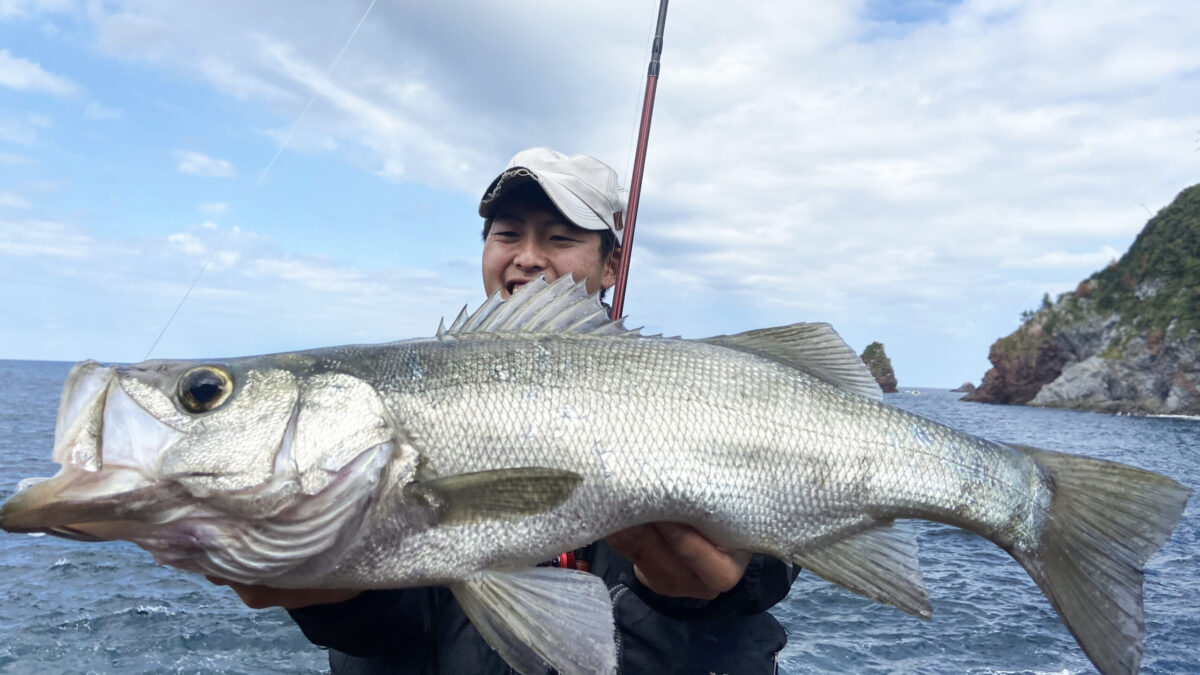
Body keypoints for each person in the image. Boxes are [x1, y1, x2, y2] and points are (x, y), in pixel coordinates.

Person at [213, 147, 798, 673]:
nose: (527, 258)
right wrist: (341, 591)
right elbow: (394, 625)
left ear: (611, 266)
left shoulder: (689, 393)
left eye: (561, 238)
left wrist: (737, 576)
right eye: (507, 233)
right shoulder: (421, 397)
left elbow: (791, 500)